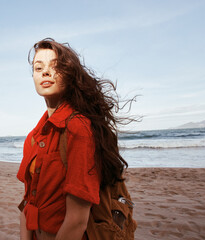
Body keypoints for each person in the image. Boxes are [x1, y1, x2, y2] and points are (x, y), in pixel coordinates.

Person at [17, 38, 130, 240]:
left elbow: (77, 220)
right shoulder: (33, 138)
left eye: (55, 66)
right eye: (38, 67)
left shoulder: (78, 128)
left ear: (70, 74)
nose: (45, 72)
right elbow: (28, 204)